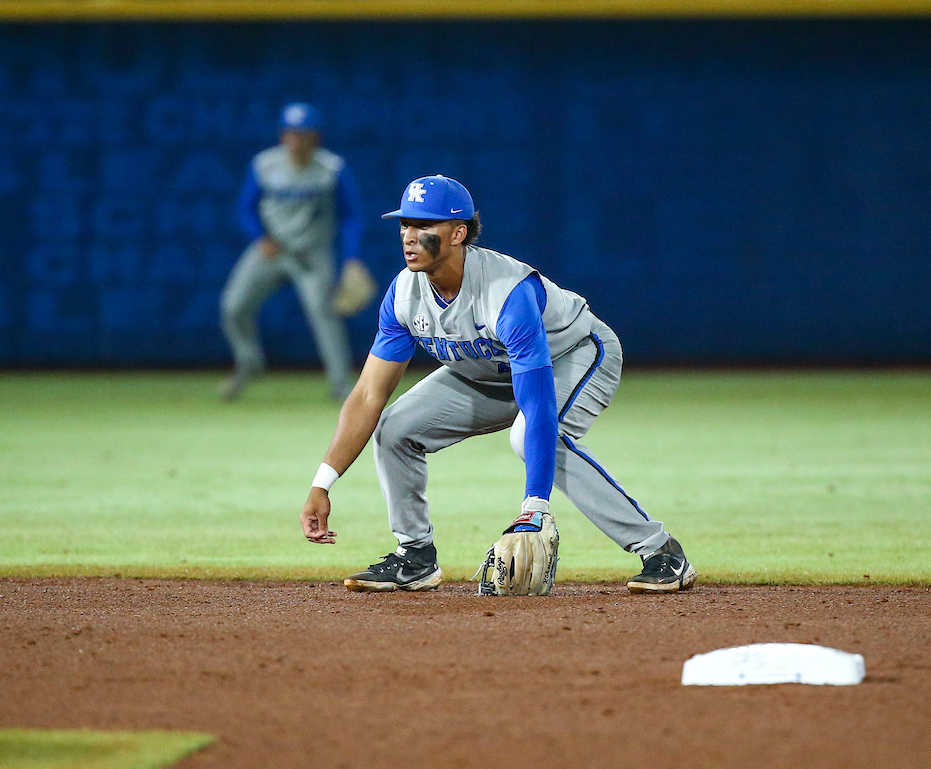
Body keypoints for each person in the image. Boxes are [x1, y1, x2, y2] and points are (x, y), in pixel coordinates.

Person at [298, 175, 697, 594]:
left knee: (531, 437)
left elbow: (538, 402)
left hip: (574, 355)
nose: (409, 237)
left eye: (424, 226)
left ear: (458, 233)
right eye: (404, 225)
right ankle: (414, 556)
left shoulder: (505, 292)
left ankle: (662, 551)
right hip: (485, 371)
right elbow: (367, 395)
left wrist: (534, 508)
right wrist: (322, 483)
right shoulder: (404, 294)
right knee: (394, 428)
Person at [219, 102, 375, 401]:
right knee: (233, 307)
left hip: (311, 254)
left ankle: (341, 386)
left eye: (303, 134)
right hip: (271, 249)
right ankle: (249, 359)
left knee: (324, 316)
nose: (296, 141)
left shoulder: (331, 168)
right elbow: (245, 207)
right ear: (282, 135)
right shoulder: (265, 164)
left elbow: (352, 215)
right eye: (291, 134)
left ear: (315, 137)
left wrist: (351, 258)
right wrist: (259, 237)